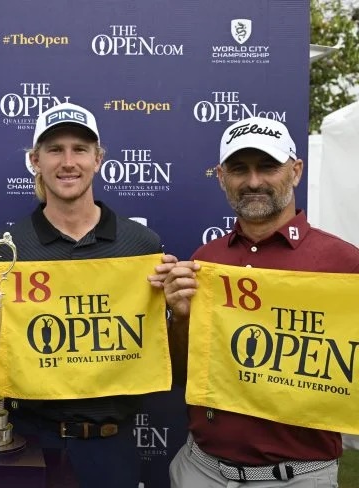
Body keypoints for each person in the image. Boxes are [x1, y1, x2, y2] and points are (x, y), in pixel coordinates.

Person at [151, 116, 359, 487]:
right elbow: (186, 374)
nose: (253, 182)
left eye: (268, 167)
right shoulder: (206, 259)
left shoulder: (345, 263)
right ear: (220, 176)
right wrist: (180, 319)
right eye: (238, 169)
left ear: (296, 171)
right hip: (201, 470)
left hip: (297, 477)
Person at [0, 102, 163, 487]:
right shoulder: (5, 250)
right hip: (27, 441)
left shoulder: (141, 245)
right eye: (54, 149)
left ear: (98, 159)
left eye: (80, 149)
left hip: (111, 450)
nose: (68, 161)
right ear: (35, 160)